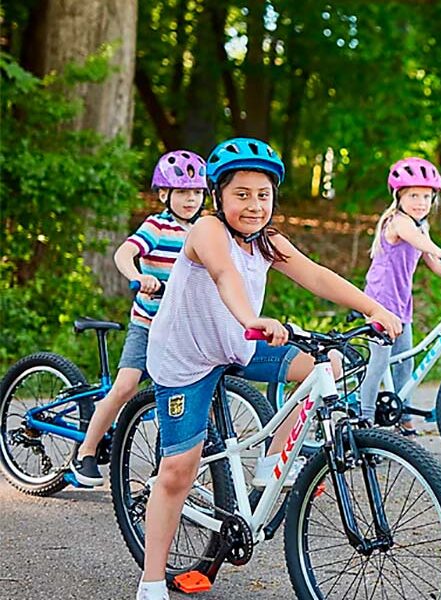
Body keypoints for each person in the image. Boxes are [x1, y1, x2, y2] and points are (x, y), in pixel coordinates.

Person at [135, 138, 404, 600]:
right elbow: (224, 276)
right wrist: (251, 319)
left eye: (263, 195)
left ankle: (269, 466)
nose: (254, 205)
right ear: (219, 195)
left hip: (239, 344)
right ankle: (152, 580)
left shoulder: (267, 241)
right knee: (179, 468)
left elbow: (316, 274)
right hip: (188, 356)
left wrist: (372, 307)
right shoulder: (207, 231)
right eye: (242, 194)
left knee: (327, 364)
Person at [71, 150, 208, 486]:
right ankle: (85, 453)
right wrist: (139, 275)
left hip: (182, 330)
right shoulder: (157, 227)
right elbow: (124, 252)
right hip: (148, 323)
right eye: (182, 192)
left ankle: (174, 469)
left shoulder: (205, 230)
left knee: (181, 395)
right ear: (165, 195)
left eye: (197, 192)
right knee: (126, 386)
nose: (191, 199)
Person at [358, 157, 441, 431]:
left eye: (427, 196)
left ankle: (402, 417)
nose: (421, 202)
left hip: (401, 303)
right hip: (379, 302)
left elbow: (435, 265)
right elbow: (421, 243)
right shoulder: (398, 222)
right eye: (414, 195)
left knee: (405, 361)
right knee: (379, 363)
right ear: (399, 197)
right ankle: (364, 423)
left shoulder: (422, 227)